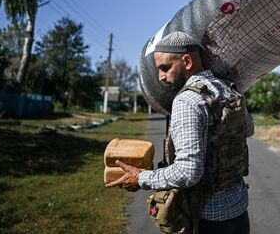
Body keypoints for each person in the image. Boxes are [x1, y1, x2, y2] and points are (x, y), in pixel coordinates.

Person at [107, 31, 253, 234]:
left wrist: (141, 178)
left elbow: (188, 172)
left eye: (165, 68)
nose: (160, 77)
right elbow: (248, 130)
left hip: (206, 219)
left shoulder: (187, 101)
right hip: (238, 211)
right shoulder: (228, 88)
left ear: (186, 61)